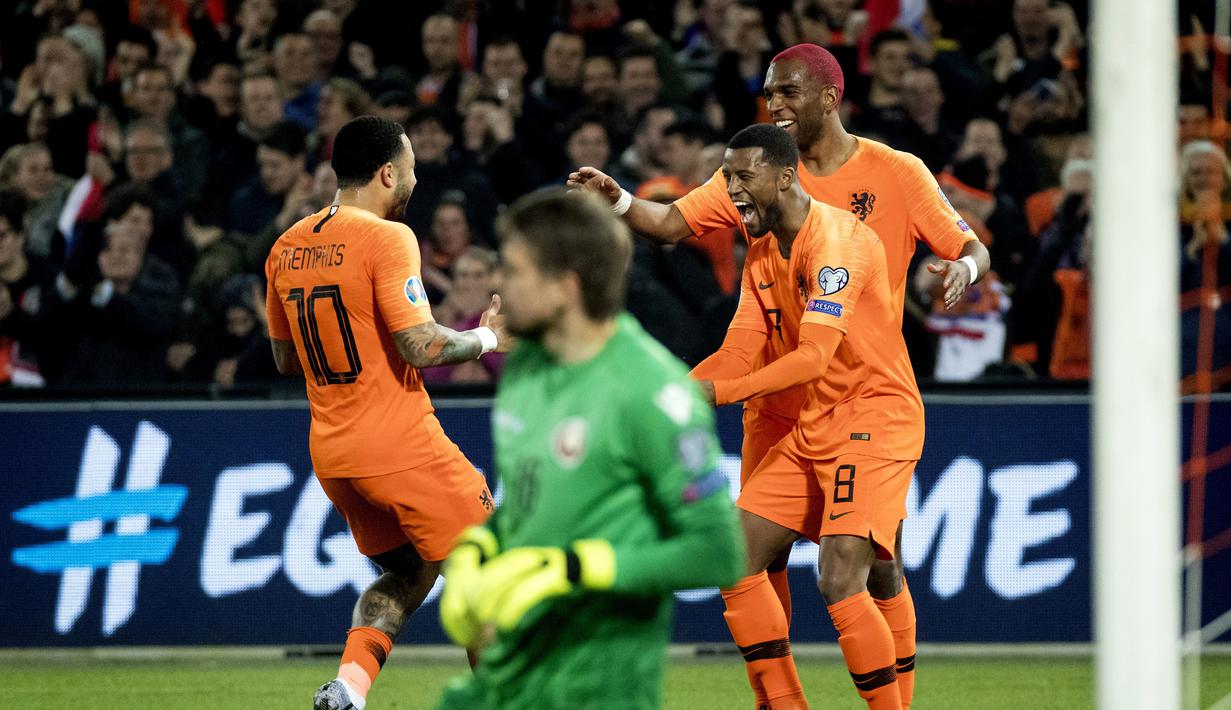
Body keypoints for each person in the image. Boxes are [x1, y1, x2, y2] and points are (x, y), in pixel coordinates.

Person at [570, 44, 990, 710]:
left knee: (868, 568)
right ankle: (780, 703)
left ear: (829, 97)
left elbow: (966, 244)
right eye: (769, 95)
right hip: (783, 407)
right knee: (746, 560)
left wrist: (963, 269)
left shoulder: (872, 196)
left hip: (865, 401)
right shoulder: (760, 221)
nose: (775, 105)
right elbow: (677, 233)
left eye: (788, 94)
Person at [435, 188, 744, 709]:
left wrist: (583, 569)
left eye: (512, 271)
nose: (497, 284)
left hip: (597, 685)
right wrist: (477, 548)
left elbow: (718, 551)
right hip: (508, 675)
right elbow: (536, 496)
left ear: (565, 288)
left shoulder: (652, 392)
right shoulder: (525, 368)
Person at [263, 115, 510, 710]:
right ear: (387, 172)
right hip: (400, 446)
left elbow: (284, 358)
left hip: (335, 455)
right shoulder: (387, 237)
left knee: (409, 573)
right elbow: (423, 346)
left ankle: (347, 689)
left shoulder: (286, 246)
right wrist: (486, 339)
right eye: (413, 170)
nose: (415, 182)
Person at [701, 123, 923, 708]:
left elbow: (813, 355)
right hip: (820, 420)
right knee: (733, 556)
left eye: (743, 176)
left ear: (785, 175)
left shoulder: (838, 244)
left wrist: (720, 396)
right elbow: (738, 350)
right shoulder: (763, 254)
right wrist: (667, 391)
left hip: (876, 416)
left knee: (841, 573)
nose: (731, 190)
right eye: (726, 178)